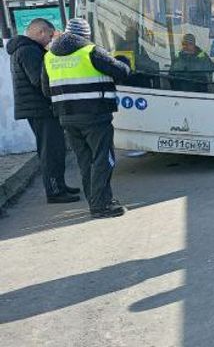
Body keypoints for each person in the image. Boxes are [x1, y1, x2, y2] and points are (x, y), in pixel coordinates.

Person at [41, 17, 131, 218]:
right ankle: (101, 206)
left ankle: (98, 201)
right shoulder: (91, 51)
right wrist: (123, 61)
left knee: (86, 161)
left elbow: (46, 90)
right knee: (103, 160)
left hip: (66, 117)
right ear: (86, 35)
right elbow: (122, 72)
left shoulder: (49, 56)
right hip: (95, 116)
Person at [6, 18, 80, 204]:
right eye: (49, 35)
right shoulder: (29, 50)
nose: (50, 39)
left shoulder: (26, 48)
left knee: (54, 149)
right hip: (40, 109)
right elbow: (38, 80)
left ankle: (59, 185)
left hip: (39, 109)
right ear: (40, 32)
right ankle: (55, 191)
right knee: (51, 151)